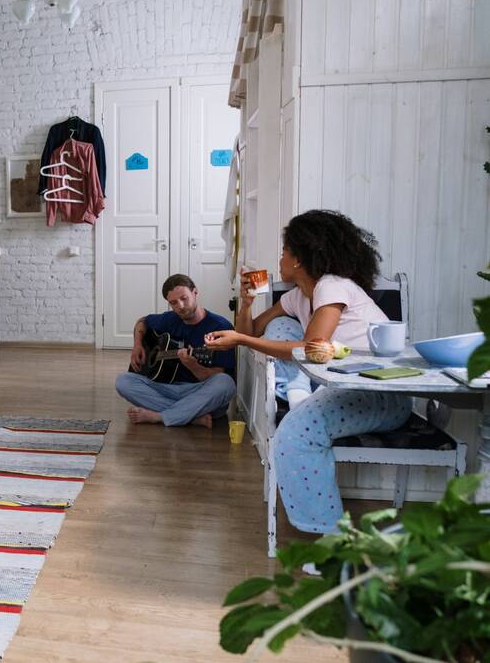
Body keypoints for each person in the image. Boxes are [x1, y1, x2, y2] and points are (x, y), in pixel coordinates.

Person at [204, 210, 412, 534]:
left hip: (379, 393)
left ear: (299, 259)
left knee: (294, 433)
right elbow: (252, 331)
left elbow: (311, 347)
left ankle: (331, 536)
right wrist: (245, 305)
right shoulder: (298, 296)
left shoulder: (332, 286)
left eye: (284, 251)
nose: (280, 258)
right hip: (334, 386)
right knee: (280, 326)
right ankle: (298, 396)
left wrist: (241, 339)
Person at [114, 274, 237, 428]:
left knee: (226, 384)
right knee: (123, 381)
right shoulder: (170, 319)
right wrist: (137, 345)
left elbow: (219, 376)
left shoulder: (220, 326)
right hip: (167, 388)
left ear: (195, 292)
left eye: (184, 298)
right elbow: (142, 321)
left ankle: (161, 416)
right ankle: (190, 416)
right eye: (173, 303)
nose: (180, 306)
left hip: (199, 391)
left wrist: (194, 366)